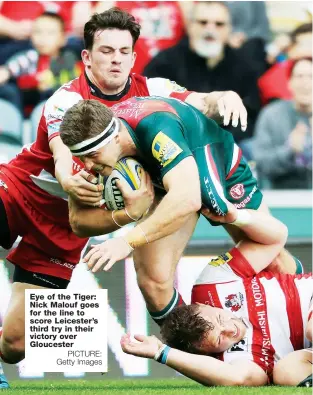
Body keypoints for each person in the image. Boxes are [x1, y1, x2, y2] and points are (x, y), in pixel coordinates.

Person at [0, 7, 248, 370]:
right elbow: (66, 167)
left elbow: (201, 101)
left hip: (61, 233)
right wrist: (76, 181)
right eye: (106, 51)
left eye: (123, 52)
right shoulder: (67, 100)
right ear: (86, 56)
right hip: (21, 192)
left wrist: (222, 96)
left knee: (15, 346)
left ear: (133, 56)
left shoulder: (155, 92)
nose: (116, 61)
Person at [59, 96, 298, 329]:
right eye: (80, 157)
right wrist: (128, 215)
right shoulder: (93, 146)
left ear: (116, 137)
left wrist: (127, 242)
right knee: (154, 283)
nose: (87, 165)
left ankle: (306, 308)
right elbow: (77, 222)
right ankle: (201, 357)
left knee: (273, 261)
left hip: (211, 157)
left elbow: (188, 198)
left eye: (92, 156)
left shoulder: (156, 127)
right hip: (167, 181)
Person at [120, 203, 312, 387]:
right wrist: (160, 352)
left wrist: (236, 216)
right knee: (287, 372)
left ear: (205, 306)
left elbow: (276, 236)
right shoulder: (234, 359)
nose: (230, 329)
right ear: (206, 353)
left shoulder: (211, 284)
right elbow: (240, 379)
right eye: (220, 339)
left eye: (220, 318)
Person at [143, 1, 261, 142]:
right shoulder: (164, 63)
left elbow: (251, 117)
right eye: (203, 22)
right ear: (190, 26)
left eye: (219, 24)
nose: (210, 29)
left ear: (229, 29)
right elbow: (148, 110)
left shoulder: (244, 67)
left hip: (228, 146)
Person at [0, 12, 81, 112]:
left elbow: (73, 80)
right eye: (38, 32)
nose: (43, 38)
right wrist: (6, 72)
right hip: (29, 110)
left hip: (59, 110)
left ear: (63, 39)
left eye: (50, 33)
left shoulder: (67, 59)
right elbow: (13, 67)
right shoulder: (30, 57)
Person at [254, 57, 312, 189]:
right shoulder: (272, 114)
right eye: (300, 76)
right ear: (290, 83)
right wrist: (289, 150)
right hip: (283, 197)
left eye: (311, 76)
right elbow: (261, 163)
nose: (306, 83)